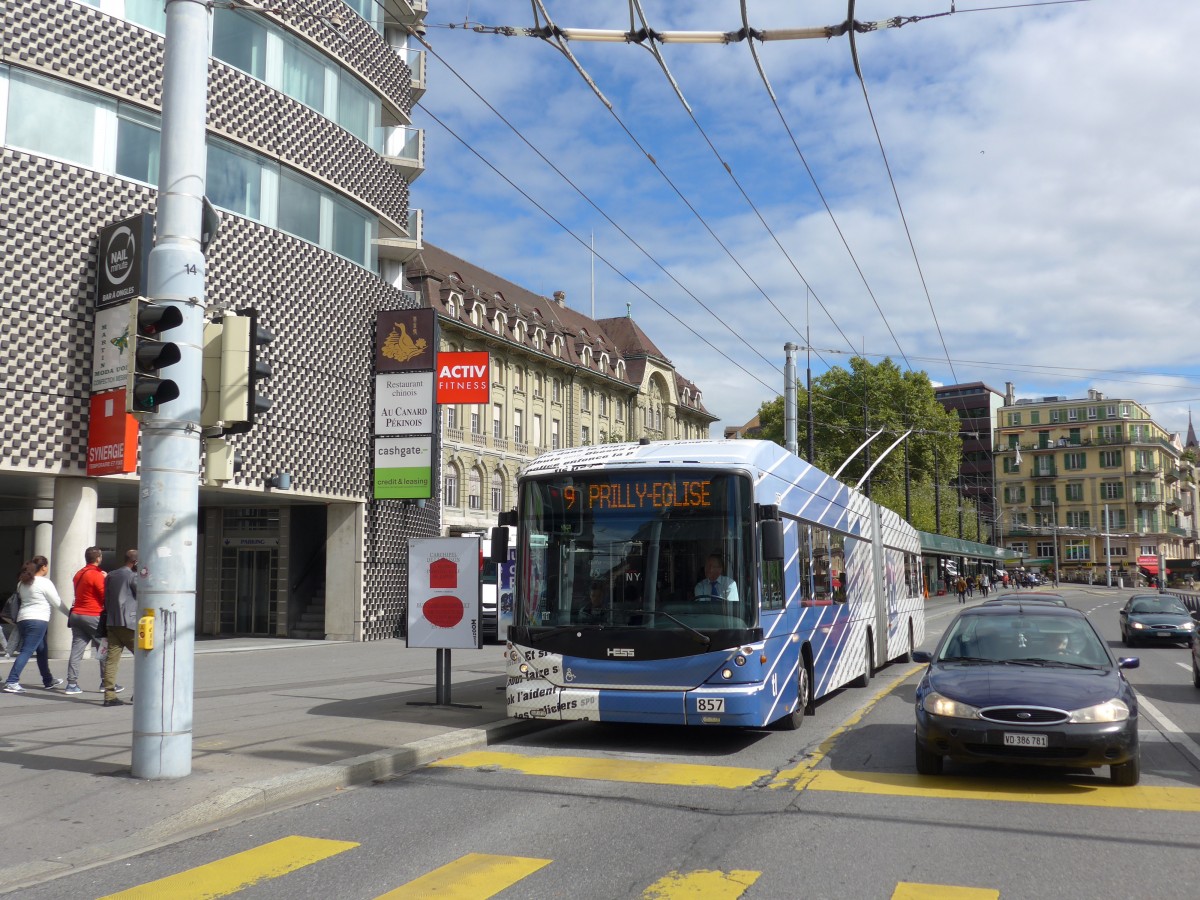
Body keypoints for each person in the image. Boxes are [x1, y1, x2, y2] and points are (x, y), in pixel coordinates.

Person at [4, 556, 69, 693]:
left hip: (23, 619)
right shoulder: (44, 583)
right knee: (27, 651)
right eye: (47, 566)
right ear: (44, 567)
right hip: (38, 620)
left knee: (42, 649)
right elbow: (56, 602)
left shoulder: (22, 583)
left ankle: (48, 679)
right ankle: (12, 681)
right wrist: (70, 615)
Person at [65, 546, 111, 695]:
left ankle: (71, 684)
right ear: (98, 558)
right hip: (93, 615)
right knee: (104, 648)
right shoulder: (96, 575)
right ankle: (106, 682)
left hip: (76, 615)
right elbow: (105, 595)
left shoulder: (79, 574)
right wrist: (106, 579)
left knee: (77, 650)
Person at [99, 549, 138, 707]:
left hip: (112, 622)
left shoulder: (111, 575)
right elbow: (143, 593)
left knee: (111, 660)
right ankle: (140, 693)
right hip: (129, 624)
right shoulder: (133, 576)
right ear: (135, 562)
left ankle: (109, 695)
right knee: (145, 659)